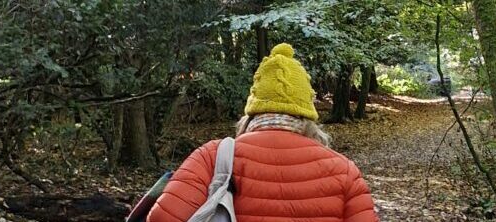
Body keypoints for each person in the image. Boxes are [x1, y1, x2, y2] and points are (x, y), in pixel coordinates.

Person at [147, 43, 379, 222]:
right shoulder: (343, 170)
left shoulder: (213, 156)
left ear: (252, 110)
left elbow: (161, 218)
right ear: (307, 114)